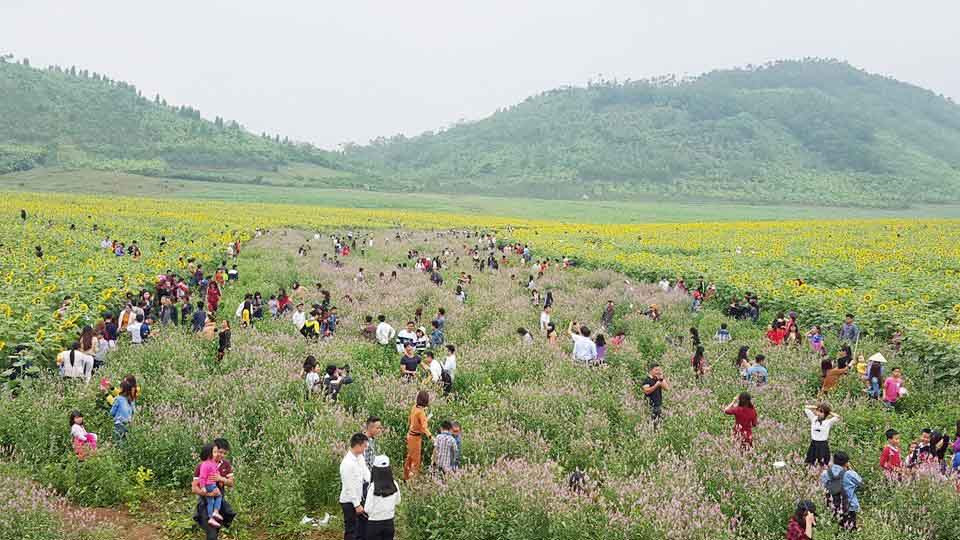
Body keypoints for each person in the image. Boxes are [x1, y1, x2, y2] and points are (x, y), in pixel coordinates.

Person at [192, 438, 237, 540]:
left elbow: (231, 483)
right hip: (206, 501)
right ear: (213, 450)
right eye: (219, 452)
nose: (221, 455)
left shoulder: (225, 464)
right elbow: (194, 488)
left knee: (229, 514)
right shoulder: (202, 465)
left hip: (219, 502)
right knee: (212, 534)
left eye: (224, 453)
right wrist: (209, 494)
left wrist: (221, 478)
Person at [819, 451, 862, 531]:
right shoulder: (850, 474)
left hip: (832, 507)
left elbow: (822, 487)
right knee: (851, 532)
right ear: (846, 462)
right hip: (849, 508)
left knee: (836, 531)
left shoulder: (825, 474)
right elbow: (860, 483)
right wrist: (850, 469)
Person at [339, 433, 371, 540]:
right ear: (357, 445)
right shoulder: (347, 463)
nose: (365, 449)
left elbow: (365, 472)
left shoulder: (360, 457)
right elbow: (349, 487)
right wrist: (356, 505)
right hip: (349, 501)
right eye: (364, 446)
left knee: (362, 528)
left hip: (360, 497)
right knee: (351, 530)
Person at [364, 455, 400, 540]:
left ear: (375, 470)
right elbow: (398, 501)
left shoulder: (373, 487)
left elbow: (367, 509)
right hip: (389, 523)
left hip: (374, 524)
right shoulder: (394, 484)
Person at [403, 391, 432, 480]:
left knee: (409, 457)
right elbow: (424, 427)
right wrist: (431, 436)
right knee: (416, 460)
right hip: (416, 438)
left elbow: (411, 420)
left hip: (410, 435)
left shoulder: (414, 408)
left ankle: (406, 476)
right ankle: (413, 480)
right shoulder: (421, 412)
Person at [197, 444, 225, 528]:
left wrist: (220, 480)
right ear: (209, 453)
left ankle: (211, 517)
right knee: (219, 496)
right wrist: (203, 487)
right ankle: (214, 513)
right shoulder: (205, 464)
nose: (217, 454)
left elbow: (216, 471)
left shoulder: (213, 463)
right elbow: (202, 477)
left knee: (211, 501)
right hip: (209, 485)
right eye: (215, 452)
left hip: (212, 484)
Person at [109, 376, 137, 443]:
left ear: (122, 389)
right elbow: (134, 412)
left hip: (119, 423)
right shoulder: (132, 399)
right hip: (129, 423)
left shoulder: (118, 399)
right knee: (126, 441)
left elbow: (112, 413)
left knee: (118, 441)